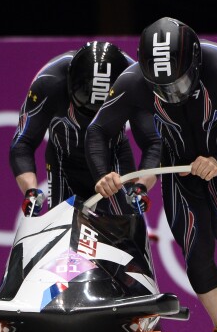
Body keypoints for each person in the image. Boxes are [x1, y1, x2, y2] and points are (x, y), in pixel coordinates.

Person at [85, 17, 217, 332]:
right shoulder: (133, 82)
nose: (172, 93)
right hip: (179, 170)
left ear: (196, 62)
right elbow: (98, 131)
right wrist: (103, 174)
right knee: (197, 254)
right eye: (161, 87)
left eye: (179, 83)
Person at [9, 41, 159, 217]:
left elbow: (154, 142)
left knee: (125, 227)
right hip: (63, 162)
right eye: (86, 110)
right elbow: (23, 142)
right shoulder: (49, 81)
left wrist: (140, 186)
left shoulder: (134, 80)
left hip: (114, 165)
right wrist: (31, 191)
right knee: (62, 234)